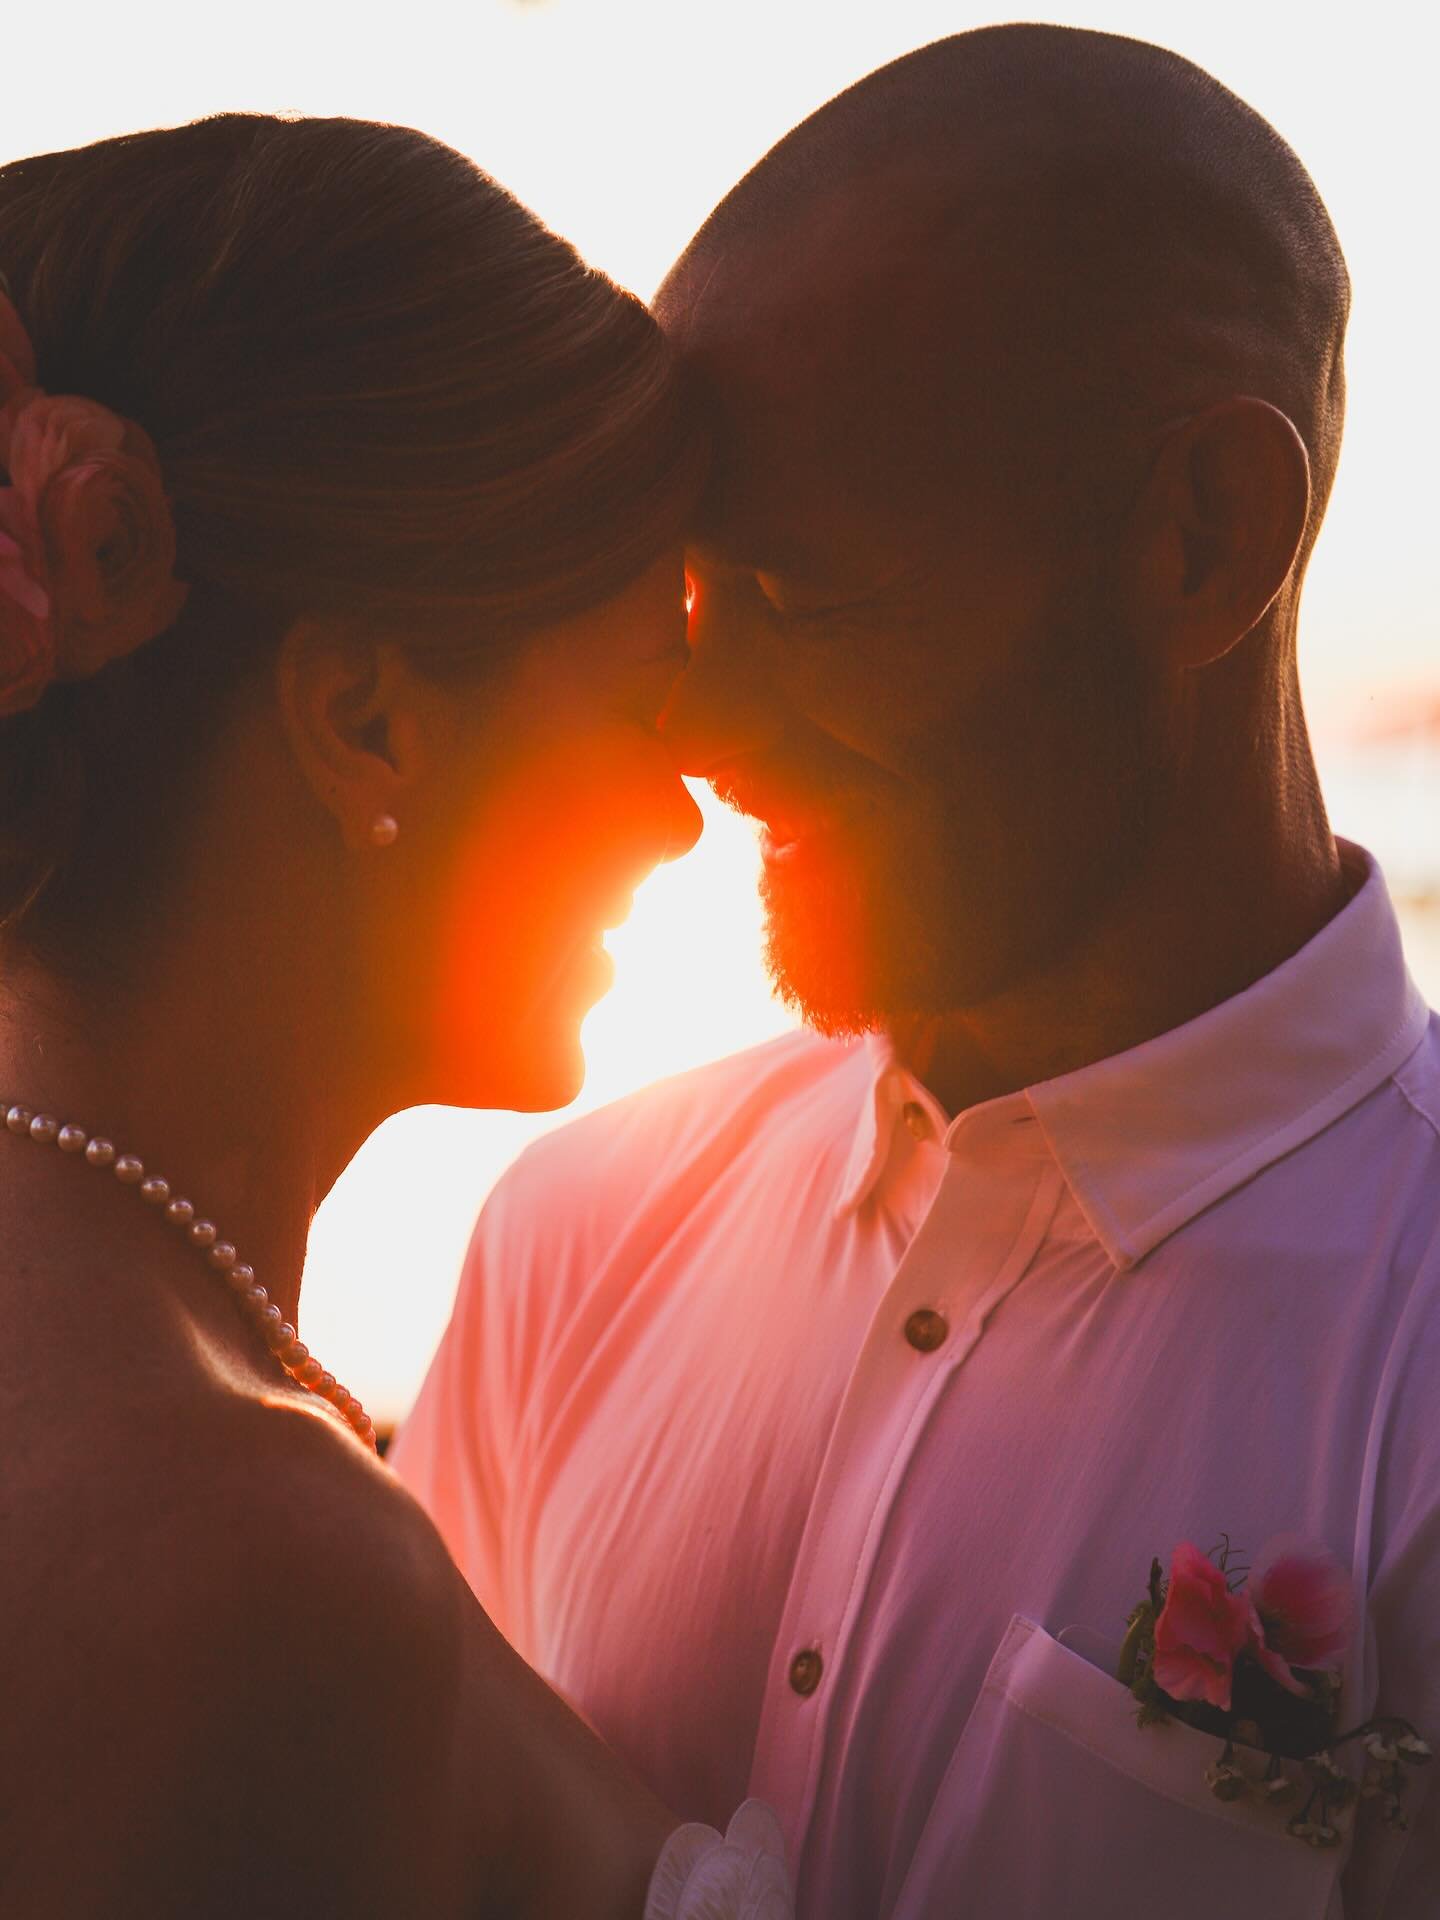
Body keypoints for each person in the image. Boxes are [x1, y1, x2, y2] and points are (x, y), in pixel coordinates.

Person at [393, 25, 1440, 1919]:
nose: (702, 728)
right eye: (700, 609)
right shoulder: (569, 1234)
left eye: (805, 601)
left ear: (1206, 539)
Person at [0, 115, 793, 1918]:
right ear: (365, 719)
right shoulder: (235, 1559)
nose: (684, 812)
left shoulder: (149, 1367)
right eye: (643, 690)